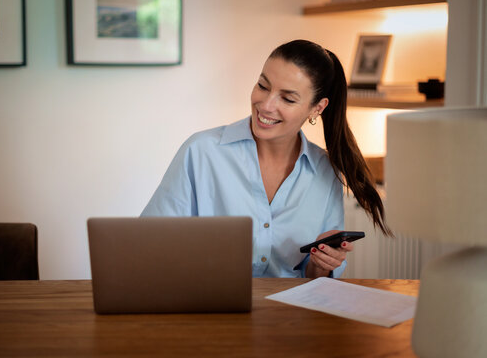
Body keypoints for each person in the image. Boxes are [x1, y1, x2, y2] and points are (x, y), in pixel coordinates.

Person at [141, 39, 392, 278]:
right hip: (208, 308)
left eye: (288, 98)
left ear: (317, 108)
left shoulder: (325, 170)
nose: (266, 105)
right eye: (263, 85)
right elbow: (149, 244)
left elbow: (313, 276)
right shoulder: (201, 152)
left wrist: (322, 264)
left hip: (289, 315)